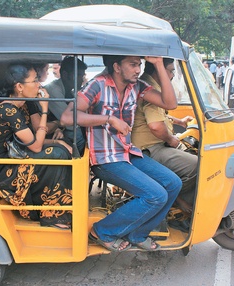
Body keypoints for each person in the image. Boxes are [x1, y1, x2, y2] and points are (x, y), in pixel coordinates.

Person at [61, 55, 182, 251]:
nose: (138, 69)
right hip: (105, 160)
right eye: (133, 65)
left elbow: (170, 104)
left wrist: (159, 64)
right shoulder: (97, 85)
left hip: (127, 153)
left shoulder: (137, 86)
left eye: (140, 65)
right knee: (156, 195)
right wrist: (108, 119)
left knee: (173, 183)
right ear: (117, 66)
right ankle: (102, 231)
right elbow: (67, 117)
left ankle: (138, 234)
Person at [0, 64, 73, 229]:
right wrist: (45, 109)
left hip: (15, 155)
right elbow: (36, 146)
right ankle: (50, 215)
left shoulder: (21, 104)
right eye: (35, 81)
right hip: (2, 168)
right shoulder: (8, 110)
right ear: (19, 87)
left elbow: (32, 138)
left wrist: (57, 141)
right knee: (57, 155)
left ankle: (57, 206)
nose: (39, 85)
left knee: (60, 149)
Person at [132, 58, 198, 231]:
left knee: (191, 154)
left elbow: (158, 116)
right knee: (197, 166)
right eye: (171, 70)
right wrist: (171, 140)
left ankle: (176, 200)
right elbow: (155, 126)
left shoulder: (150, 84)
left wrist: (179, 121)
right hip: (150, 149)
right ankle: (176, 202)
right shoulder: (151, 89)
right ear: (158, 70)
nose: (172, 75)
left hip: (154, 145)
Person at [45, 56, 88, 155]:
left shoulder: (71, 89)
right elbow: (69, 121)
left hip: (58, 126)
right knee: (76, 134)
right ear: (65, 74)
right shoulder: (53, 90)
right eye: (78, 75)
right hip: (47, 128)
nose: (82, 79)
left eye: (82, 75)